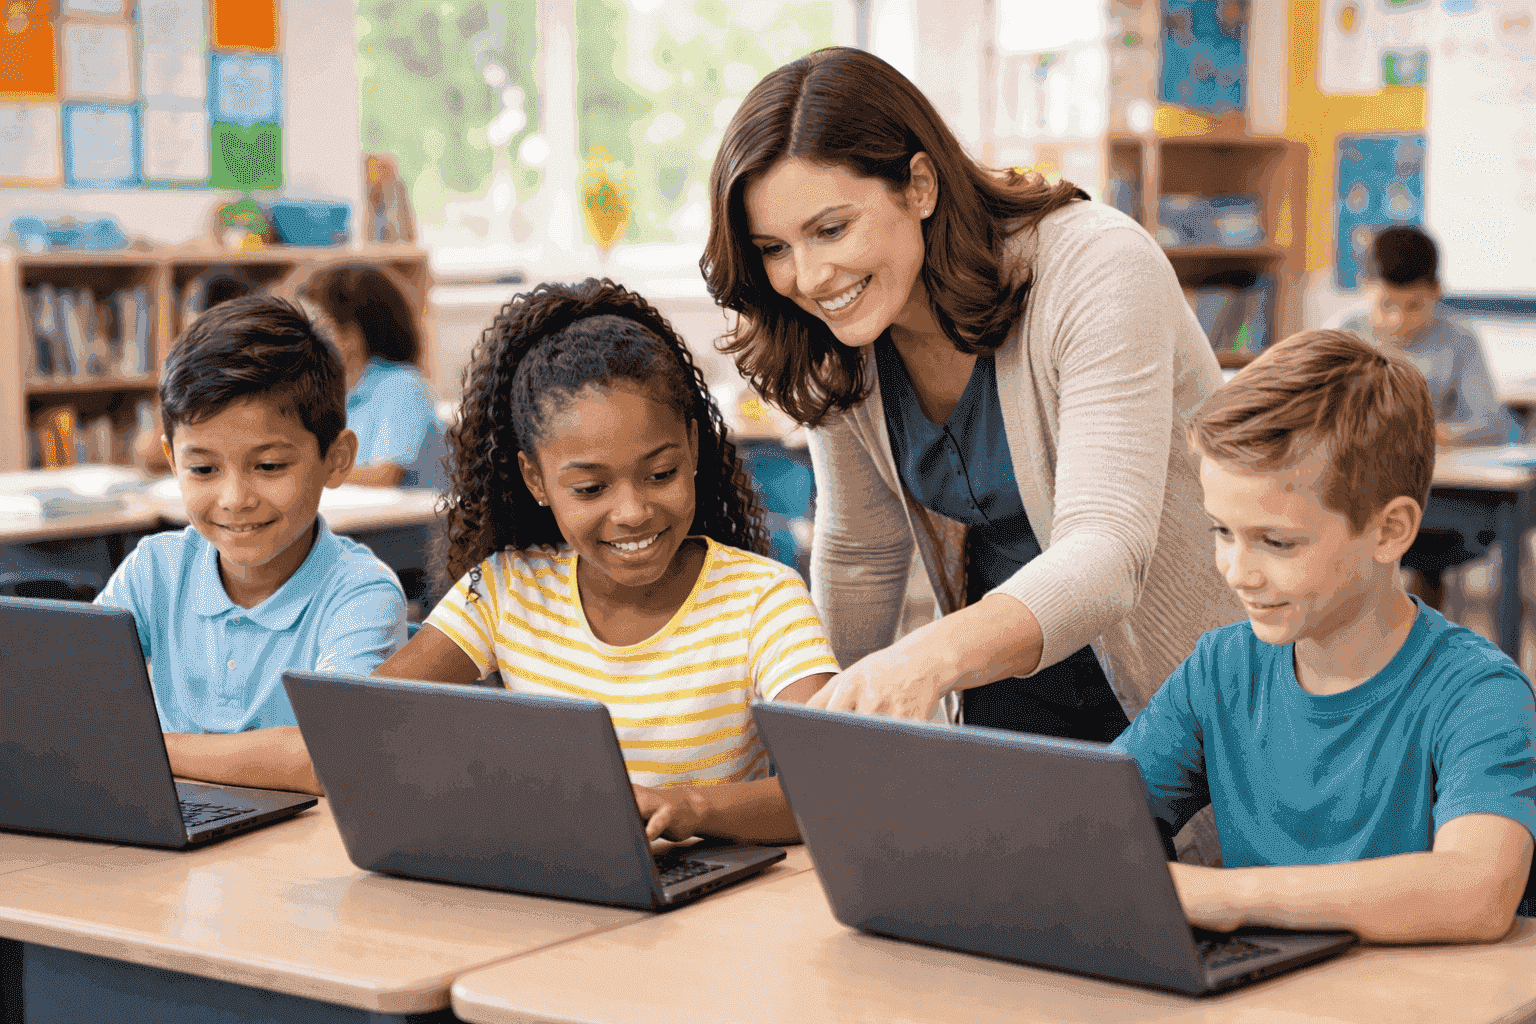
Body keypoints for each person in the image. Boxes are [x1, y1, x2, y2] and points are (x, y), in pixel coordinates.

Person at [702, 46, 1244, 745]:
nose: (806, 277)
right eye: (773, 248)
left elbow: (1107, 553)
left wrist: (921, 660)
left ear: (920, 185)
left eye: (832, 229)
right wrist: (824, 740)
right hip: (1008, 690)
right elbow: (862, 550)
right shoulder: (833, 333)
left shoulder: (1096, 268)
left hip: (1179, 683)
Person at [372, 278, 839, 845]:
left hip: (708, 914)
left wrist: (694, 808)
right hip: (553, 889)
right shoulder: (503, 588)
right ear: (536, 481)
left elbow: (829, 786)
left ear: (692, 448)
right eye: (591, 489)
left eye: (661, 474)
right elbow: (365, 722)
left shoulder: (763, 599)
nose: (633, 512)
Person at [1113, 329, 1535, 942]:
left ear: (1390, 531)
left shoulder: (1479, 693)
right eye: (1223, 532)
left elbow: (1477, 889)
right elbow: (1092, 825)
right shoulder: (1221, 669)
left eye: (1277, 542)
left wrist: (1230, 895)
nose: (1237, 571)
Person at [97, 296, 409, 795]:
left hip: (298, 854)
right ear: (171, 461)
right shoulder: (155, 569)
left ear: (337, 458)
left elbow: (330, 753)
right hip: (173, 828)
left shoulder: (360, 592)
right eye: (202, 469)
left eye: (268, 466)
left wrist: (149, 745)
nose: (234, 499)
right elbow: (72, 704)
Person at [1330, 225, 1517, 610]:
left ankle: (1417, 631)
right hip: (1364, 490)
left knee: (1422, 545)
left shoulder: (1458, 340)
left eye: (1414, 306)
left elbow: (1491, 423)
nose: (1399, 320)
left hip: (1440, 495)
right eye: (1386, 305)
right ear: (1366, 288)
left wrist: (1439, 434)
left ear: (1436, 293)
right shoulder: (1348, 338)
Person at [297, 263, 441, 488]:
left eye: (316, 327)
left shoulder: (402, 387)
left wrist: (307, 473)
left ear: (351, 337)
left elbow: (385, 476)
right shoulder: (330, 395)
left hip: (401, 522)